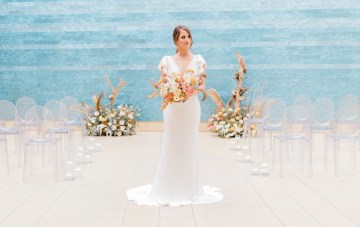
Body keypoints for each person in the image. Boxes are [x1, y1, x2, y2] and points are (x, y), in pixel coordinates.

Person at [126, 25, 223, 206]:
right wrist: (163, 88)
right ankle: (168, 186)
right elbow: (162, 83)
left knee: (189, 141)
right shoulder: (167, 61)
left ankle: (190, 188)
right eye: (182, 38)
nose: (187, 40)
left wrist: (189, 89)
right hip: (172, 107)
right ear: (175, 41)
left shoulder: (199, 60)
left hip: (191, 107)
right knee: (172, 141)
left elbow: (202, 85)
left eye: (188, 37)